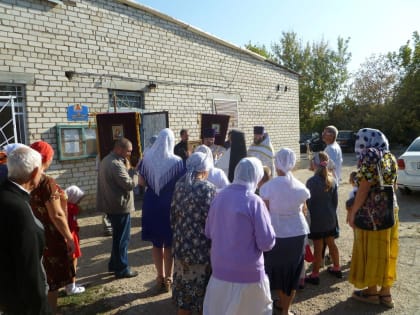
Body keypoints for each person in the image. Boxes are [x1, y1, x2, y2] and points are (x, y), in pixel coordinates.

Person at [203, 157, 276, 315]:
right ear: (256, 176)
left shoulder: (218, 197)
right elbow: (267, 243)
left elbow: (208, 231)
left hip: (220, 272)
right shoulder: (254, 201)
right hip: (249, 275)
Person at [347, 128, 398, 308]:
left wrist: (353, 211)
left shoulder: (369, 155)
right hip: (391, 211)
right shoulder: (389, 156)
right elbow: (394, 186)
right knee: (386, 252)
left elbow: (364, 186)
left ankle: (371, 292)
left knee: (371, 251)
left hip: (372, 213)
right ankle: (386, 294)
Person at [0, 146, 51, 315]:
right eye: (42, 171)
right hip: (21, 301)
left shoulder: (6, 195)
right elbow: (29, 268)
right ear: (35, 172)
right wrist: (41, 308)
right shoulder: (18, 209)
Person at [259, 148, 310, 314]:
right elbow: (304, 210)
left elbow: (265, 213)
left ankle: (282, 304)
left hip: (277, 233)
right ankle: (286, 309)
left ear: (277, 163)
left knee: (279, 271)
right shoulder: (300, 187)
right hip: (298, 232)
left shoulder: (268, 187)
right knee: (293, 271)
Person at [29, 140, 76, 314]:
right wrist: (69, 238)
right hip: (48, 237)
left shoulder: (20, 177)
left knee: (38, 278)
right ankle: (51, 311)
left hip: (30, 234)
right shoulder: (45, 181)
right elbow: (56, 215)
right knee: (51, 280)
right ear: (46, 159)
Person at [138, 128, 185, 292]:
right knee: (169, 243)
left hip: (151, 203)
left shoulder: (145, 160)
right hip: (169, 205)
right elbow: (181, 184)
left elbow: (141, 183)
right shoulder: (177, 161)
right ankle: (169, 278)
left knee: (156, 244)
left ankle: (159, 277)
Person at [170, 152, 216, 315]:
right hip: (200, 250)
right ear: (204, 170)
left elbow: (173, 215)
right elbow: (213, 221)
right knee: (201, 292)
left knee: (184, 288)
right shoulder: (208, 188)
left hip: (182, 246)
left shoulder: (179, 185)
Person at [97, 137, 138, 279]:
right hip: (119, 206)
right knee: (122, 239)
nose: (129, 154)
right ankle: (122, 269)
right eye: (128, 151)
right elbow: (129, 184)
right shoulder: (115, 164)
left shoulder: (106, 160)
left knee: (117, 238)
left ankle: (113, 264)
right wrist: (135, 173)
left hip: (111, 205)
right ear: (119, 149)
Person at [304, 151, 342, 285]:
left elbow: (307, 202)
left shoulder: (311, 182)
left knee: (318, 246)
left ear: (314, 164)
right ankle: (337, 267)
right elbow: (335, 202)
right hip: (330, 218)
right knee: (331, 243)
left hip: (317, 220)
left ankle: (315, 274)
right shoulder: (332, 180)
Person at [64, 185, 86, 295]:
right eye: (78, 199)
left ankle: (70, 284)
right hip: (71, 237)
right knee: (72, 261)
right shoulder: (70, 208)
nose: (80, 201)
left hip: (72, 236)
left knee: (72, 260)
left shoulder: (67, 207)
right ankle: (71, 287)